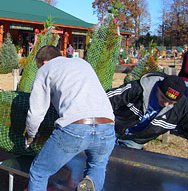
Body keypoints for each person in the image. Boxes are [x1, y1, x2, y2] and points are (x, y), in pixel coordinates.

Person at [25, 45, 115, 191]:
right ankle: (90, 182)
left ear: (44, 62)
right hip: (107, 124)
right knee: (97, 167)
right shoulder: (82, 63)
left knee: (39, 172)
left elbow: (36, 112)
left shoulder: (45, 69)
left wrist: (30, 136)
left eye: (38, 66)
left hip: (75, 126)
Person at [106, 72, 188, 149]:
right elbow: (108, 100)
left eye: (171, 102)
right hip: (112, 129)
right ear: (158, 88)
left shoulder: (181, 109)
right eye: (163, 97)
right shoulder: (139, 88)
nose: (166, 104)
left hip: (135, 140)